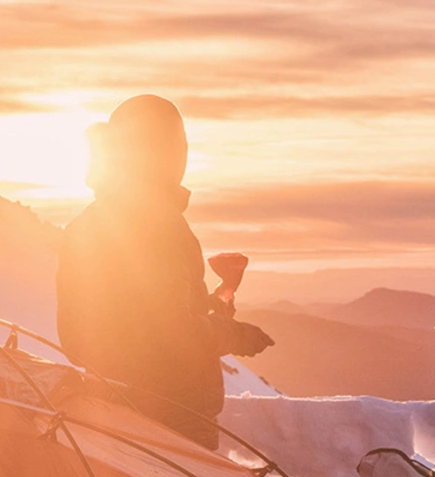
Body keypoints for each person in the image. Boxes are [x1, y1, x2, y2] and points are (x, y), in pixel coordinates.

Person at [57, 95, 273, 448]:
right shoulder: (156, 223)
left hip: (113, 415)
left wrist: (224, 292)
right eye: (177, 142)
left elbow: (137, 317)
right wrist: (235, 335)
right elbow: (173, 335)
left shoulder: (87, 224)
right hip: (172, 422)